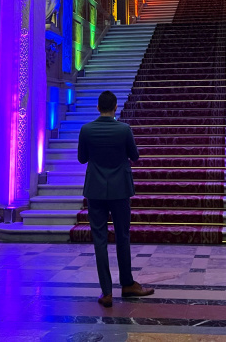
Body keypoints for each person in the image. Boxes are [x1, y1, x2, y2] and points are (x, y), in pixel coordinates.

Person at [78, 91, 154, 307]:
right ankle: (127, 283)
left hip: (95, 189)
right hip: (120, 189)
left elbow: (82, 158)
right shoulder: (124, 129)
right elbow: (135, 156)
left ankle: (106, 292)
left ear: (97, 107)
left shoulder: (86, 130)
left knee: (99, 239)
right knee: (123, 236)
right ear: (115, 107)